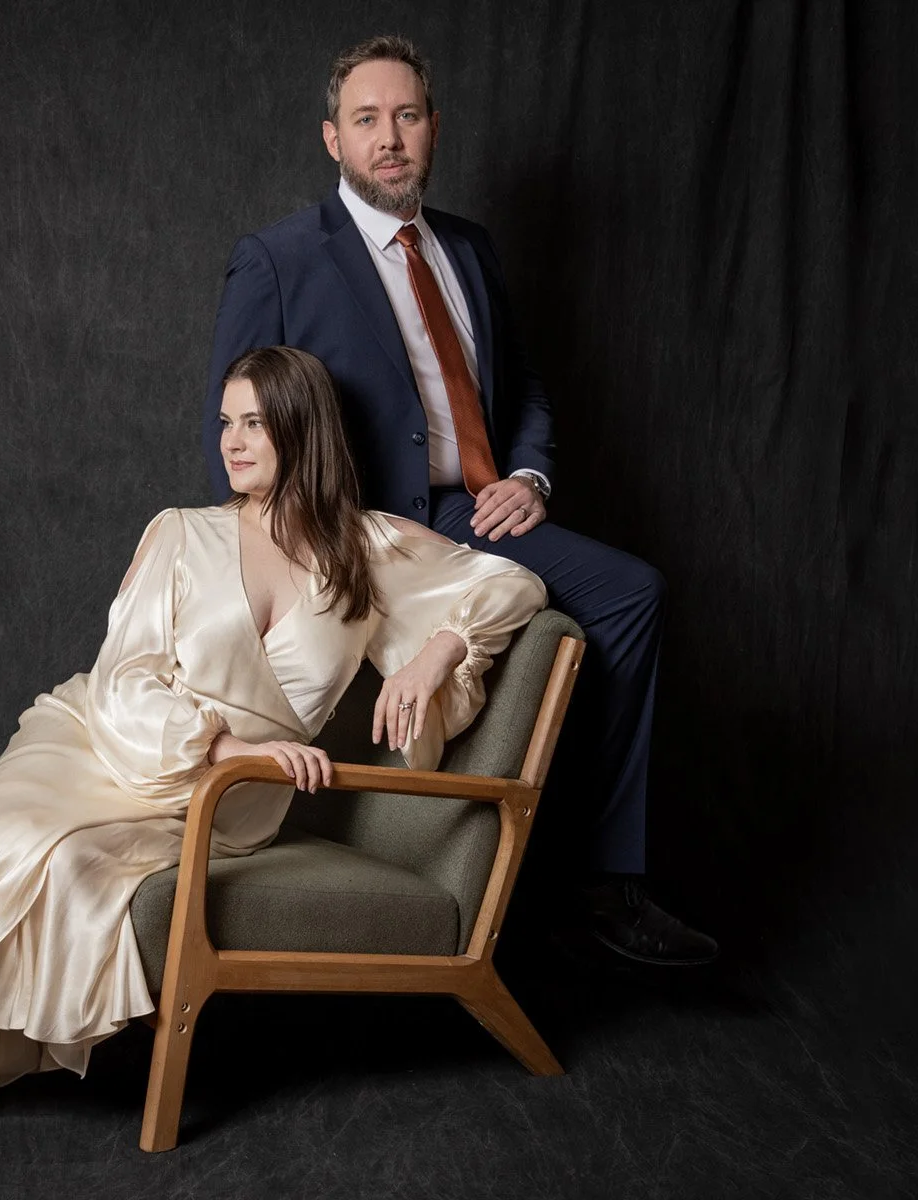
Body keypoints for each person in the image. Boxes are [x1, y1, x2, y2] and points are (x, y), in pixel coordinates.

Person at [0, 346, 546, 1168]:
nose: (231, 443)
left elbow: (512, 584)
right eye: (224, 423)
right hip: (101, 743)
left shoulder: (368, 549)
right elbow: (125, 681)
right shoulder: (181, 533)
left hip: (219, 805)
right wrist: (231, 744)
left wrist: (437, 653)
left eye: (254, 424)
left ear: (302, 429)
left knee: (75, 876)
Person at [201, 36, 718, 965]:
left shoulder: (469, 247)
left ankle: (604, 882)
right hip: (370, 529)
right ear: (333, 138)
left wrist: (529, 477)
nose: (388, 138)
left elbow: (521, 392)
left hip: (479, 507)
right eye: (367, 121)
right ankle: (542, 880)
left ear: (433, 129)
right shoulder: (279, 259)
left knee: (633, 593)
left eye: (406, 117)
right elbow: (233, 425)